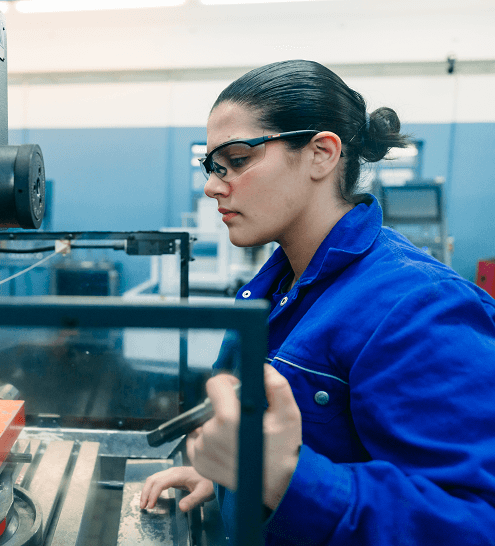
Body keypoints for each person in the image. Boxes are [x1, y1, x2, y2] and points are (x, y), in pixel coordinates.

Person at [140, 59, 495, 545]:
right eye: (213, 167)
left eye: (238, 160)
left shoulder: (418, 305)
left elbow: (477, 523)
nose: (212, 186)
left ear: (322, 154)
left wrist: (284, 478)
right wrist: (231, 478)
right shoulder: (277, 286)